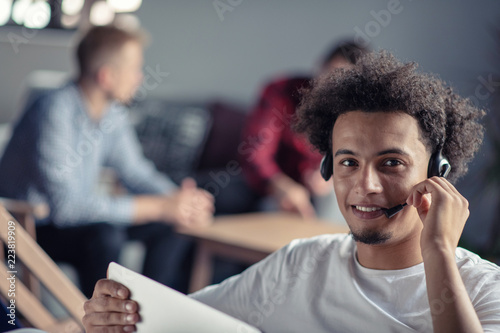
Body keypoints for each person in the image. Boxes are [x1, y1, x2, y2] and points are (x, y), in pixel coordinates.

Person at [82, 51, 500, 332]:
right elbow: (181, 319)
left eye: (392, 163)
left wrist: (440, 253)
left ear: (438, 173)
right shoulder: (299, 263)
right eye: (348, 162)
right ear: (326, 167)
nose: (366, 186)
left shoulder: (483, 290)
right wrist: (116, 314)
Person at [0, 25, 214, 297]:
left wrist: (179, 201)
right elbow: (67, 208)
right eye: (134, 69)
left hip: (71, 221)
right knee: (104, 236)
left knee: (170, 225)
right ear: (107, 76)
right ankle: (103, 323)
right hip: (24, 227)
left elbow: (135, 171)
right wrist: (158, 206)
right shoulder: (54, 110)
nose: (139, 78)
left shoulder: (112, 113)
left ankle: (151, 315)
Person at [240, 40, 366, 221]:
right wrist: (282, 187)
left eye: (345, 85)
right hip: (273, 189)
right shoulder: (281, 92)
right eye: (331, 76)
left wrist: (333, 177)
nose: (333, 88)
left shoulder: (362, 113)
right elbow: (255, 152)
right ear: (319, 66)